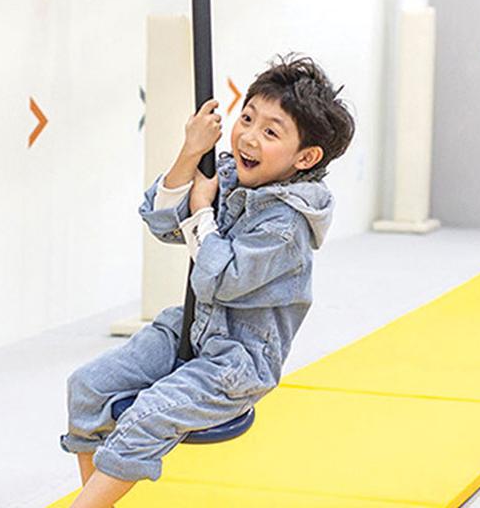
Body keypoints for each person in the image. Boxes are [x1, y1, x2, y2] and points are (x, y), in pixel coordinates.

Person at [59, 53, 355, 508]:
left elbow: (222, 278)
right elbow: (161, 222)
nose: (249, 137)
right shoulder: (230, 175)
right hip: (191, 328)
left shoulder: (287, 223)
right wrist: (191, 152)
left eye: (270, 132)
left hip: (237, 361)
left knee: (146, 416)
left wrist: (202, 212)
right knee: (88, 386)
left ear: (306, 157)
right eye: (248, 118)